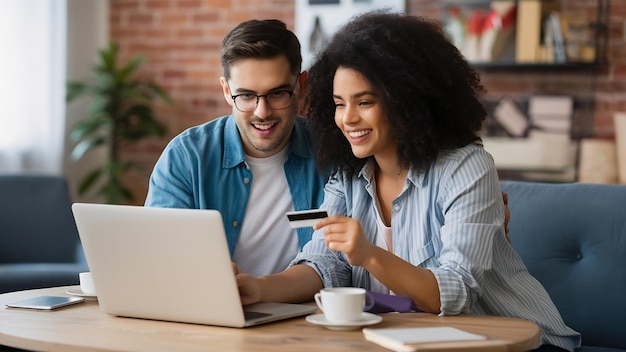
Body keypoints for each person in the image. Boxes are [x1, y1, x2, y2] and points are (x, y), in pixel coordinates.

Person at [234, 11, 581, 352]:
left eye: (365, 102)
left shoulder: (466, 169)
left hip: (512, 341)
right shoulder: (348, 174)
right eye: (339, 104)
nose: (348, 118)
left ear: (407, 101)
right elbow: (326, 264)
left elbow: (454, 293)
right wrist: (258, 289)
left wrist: (368, 254)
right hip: (417, 342)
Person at [144, 19, 328, 277]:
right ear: (226, 90)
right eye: (246, 96)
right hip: (209, 310)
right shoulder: (186, 158)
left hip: (307, 311)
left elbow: (337, 263)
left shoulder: (331, 152)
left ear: (302, 86)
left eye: (277, 94)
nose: (262, 112)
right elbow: (160, 258)